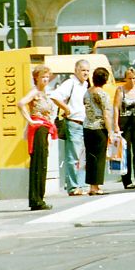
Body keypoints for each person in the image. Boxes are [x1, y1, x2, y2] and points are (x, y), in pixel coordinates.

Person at [17, 65, 57, 211]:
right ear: (36, 78)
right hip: (38, 129)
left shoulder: (44, 92)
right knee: (38, 164)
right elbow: (20, 103)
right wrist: (31, 121)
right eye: (42, 77)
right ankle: (36, 199)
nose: (45, 79)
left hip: (45, 128)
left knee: (42, 163)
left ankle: (39, 197)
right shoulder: (35, 92)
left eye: (47, 77)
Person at [50, 59, 89, 196]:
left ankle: (80, 185)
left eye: (87, 70)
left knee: (81, 157)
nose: (86, 73)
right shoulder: (70, 83)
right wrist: (66, 109)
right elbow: (54, 96)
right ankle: (73, 187)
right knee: (73, 156)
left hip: (84, 123)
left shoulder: (85, 85)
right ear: (76, 70)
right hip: (73, 123)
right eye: (83, 70)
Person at [113, 66, 135, 189]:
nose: (132, 81)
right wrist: (116, 125)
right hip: (124, 120)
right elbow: (116, 107)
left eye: (134, 78)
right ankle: (127, 180)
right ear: (125, 79)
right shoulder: (120, 90)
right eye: (129, 78)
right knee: (126, 151)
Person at [83, 67, 114, 196]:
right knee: (99, 157)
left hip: (87, 126)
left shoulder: (87, 92)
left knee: (90, 157)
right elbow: (106, 115)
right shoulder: (103, 94)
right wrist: (110, 131)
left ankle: (91, 186)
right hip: (99, 128)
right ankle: (96, 187)